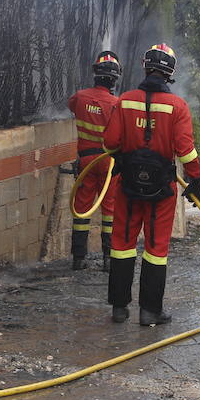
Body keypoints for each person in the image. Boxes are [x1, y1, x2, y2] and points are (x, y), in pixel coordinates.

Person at [101, 43, 200, 326]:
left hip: (128, 187)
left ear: (145, 66)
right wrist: (197, 178)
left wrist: (123, 156)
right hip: (162, 190)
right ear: (171, 72)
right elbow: (186, 151)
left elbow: (109, 142)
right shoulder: (178, 107)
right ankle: (149, 312)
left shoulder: (124, 100)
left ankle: (119, 309)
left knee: (122, 244)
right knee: (156, 249)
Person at [66, 50, 122, 271]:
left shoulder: (79, 97)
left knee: (81, 208)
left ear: (95, 74)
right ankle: (108, 259)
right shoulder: (116, 104)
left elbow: (72, 108)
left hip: (86, 161)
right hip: (108, 162)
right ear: (114, 79)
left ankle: (78, 258)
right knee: (109, 209)